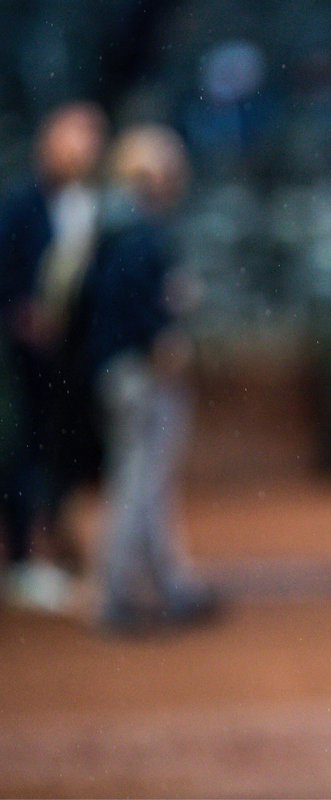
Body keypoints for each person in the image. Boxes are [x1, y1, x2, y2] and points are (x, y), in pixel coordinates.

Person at [78, 124, 216, 633]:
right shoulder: (133, 228)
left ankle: (169, 586)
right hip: (137, 373)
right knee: (137, 485)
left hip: (122, 369)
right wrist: (158, 335)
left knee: (146, 484)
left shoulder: (118, 223)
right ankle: (113, 596)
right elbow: (131, 298)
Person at [0, 102, 108, 610]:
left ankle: (60, 549)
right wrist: (20, 314)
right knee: (25, 453)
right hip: (24, 359)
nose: (81, 149)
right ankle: (22, 558)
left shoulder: (94, 206)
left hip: (73, 359)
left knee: (65, 455)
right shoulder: (21, 204)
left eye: (89, 139)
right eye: (72, 138)